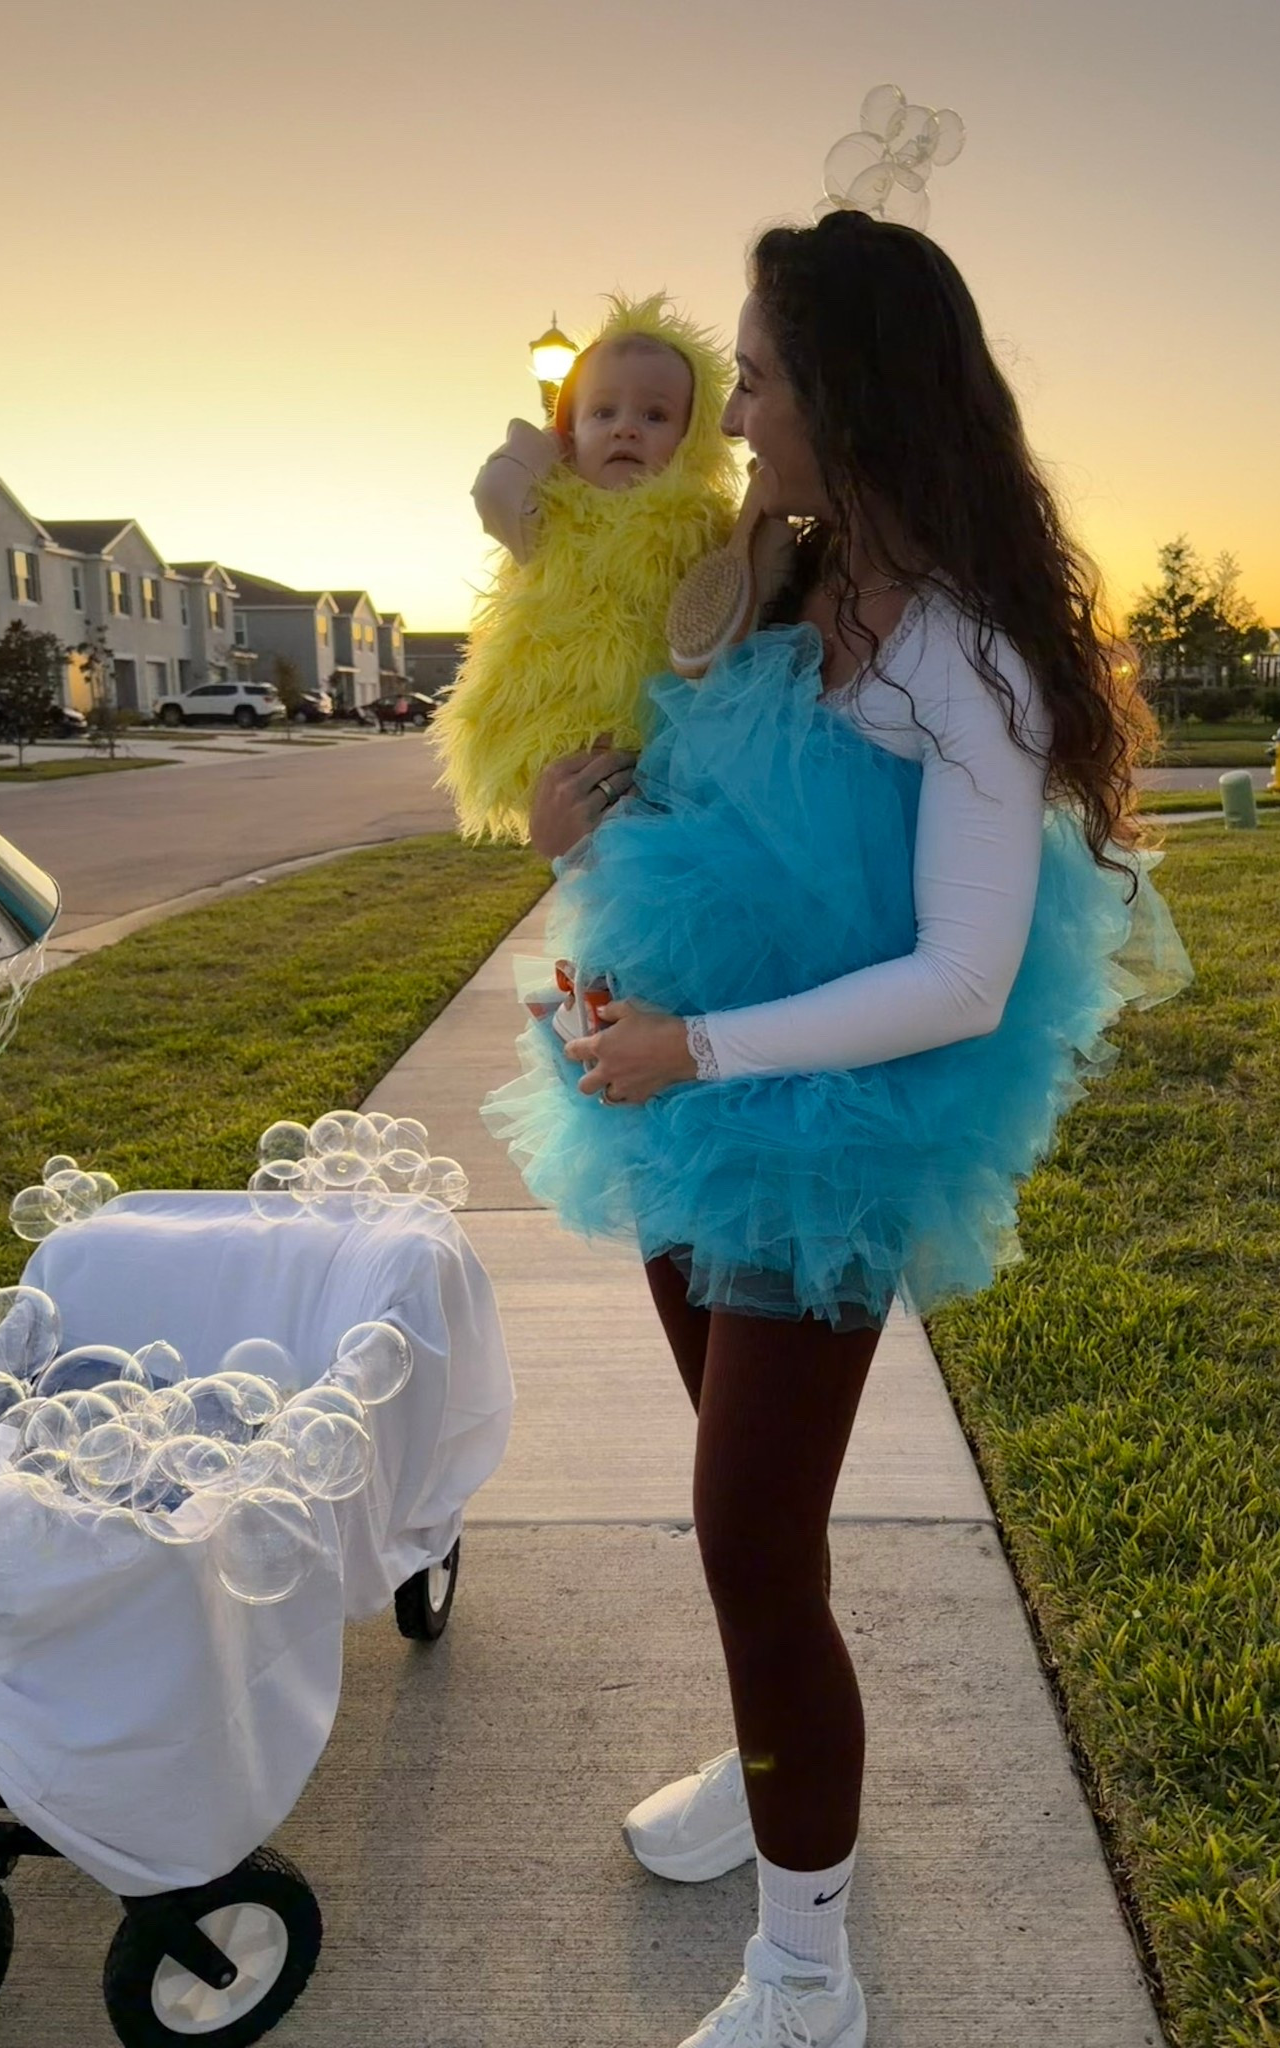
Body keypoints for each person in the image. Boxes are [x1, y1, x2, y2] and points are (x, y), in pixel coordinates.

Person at [484, 212, 1192, 2048]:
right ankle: (763, 1754)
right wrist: (585, 833)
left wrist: (696, 1046)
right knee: (751, 1518)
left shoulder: (966, 648)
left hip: (824, 1119)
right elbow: (702, 783)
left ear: (854, 391)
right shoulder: (772, 583)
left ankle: (809, 1968)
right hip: (677, 1088)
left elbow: (962, 972)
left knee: (744, 1527)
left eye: (767, 373)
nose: (739, 407)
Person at [429, 294, 739, 842]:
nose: (626, 429)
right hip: (569, 762)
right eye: (603, 412)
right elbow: (494, 489)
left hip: (667, 762)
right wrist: (555, 438)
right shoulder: (552, 519)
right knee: (605, 888)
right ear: (570, 433)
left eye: (655, 414)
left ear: (693, 439)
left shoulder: (704, 526)